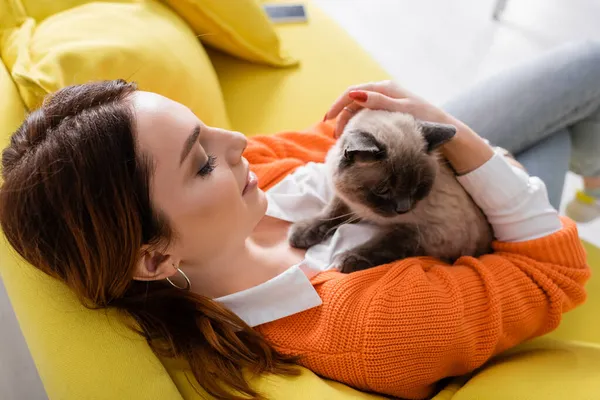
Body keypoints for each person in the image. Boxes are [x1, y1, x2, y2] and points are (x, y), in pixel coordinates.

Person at [0, 41, 596, 399]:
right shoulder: (373, 327)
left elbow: (322, 142)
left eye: (203, 125)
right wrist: (470, 148)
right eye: (203, 160)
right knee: (574, 112)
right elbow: (554, 272)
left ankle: (588, 176)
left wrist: (389, 117)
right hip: (480, 229)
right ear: (156, 258)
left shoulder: (246, 178)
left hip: (408, 173)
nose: (235, 139)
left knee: (585, 72)